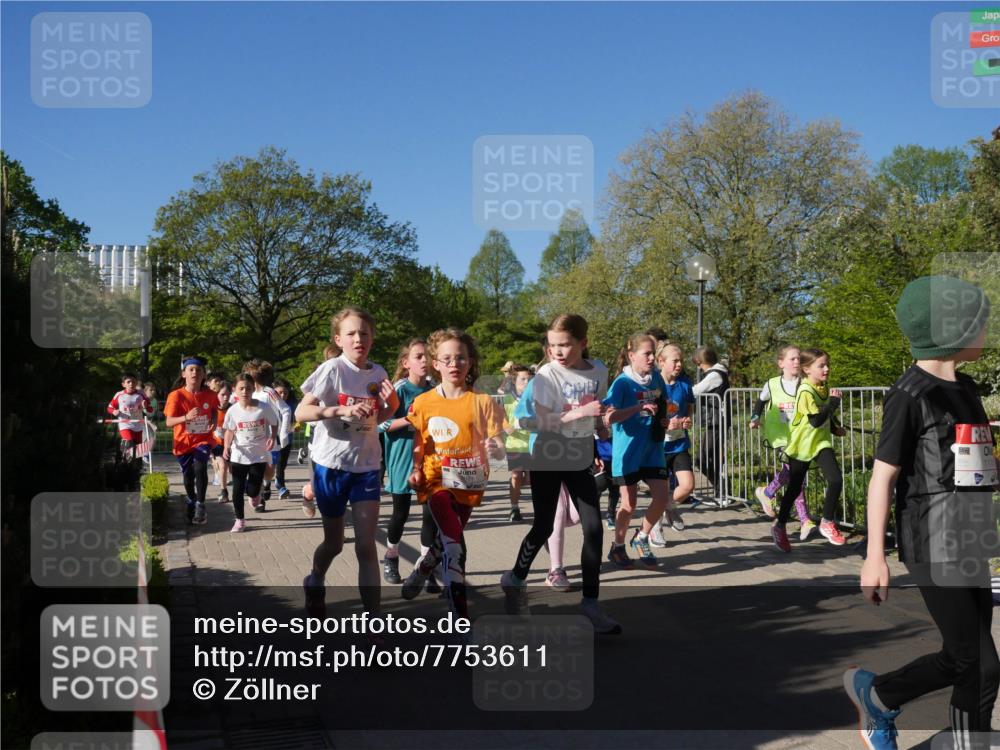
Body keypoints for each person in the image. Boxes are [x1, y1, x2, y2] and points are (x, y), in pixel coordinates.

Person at [847, 276, 998, 750]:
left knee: (967, 658)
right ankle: (961, 740)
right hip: (932, 540)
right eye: (979, 321)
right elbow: (882, 478)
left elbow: (972, 462)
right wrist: (875, 556)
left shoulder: (967, 388)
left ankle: (879, 694)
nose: (987, 328)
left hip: (969, 538)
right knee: (979, 661)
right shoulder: (908, 395)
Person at [500, 314, 621, 635]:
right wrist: (579, 413)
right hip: (548, 454)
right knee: (542, 526)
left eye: (565, 344)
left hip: (579, 454)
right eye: (552, 345)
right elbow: (528, 422)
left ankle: (591, 605)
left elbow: (594, 411)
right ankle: (515, 578)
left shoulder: (598, 371)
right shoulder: (545, 377)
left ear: (583, 343)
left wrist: (601, 428)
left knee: (594, 528)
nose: (558, 351)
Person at [296, 307, 399, 619]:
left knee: (366, 546)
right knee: (335, 543)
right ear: (339, 339)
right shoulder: (332, 370)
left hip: (366, 467)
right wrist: (336, 412)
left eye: (364, 333)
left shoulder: (379, 374)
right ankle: (315, 579)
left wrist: (392, 405)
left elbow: (377, 419)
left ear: (372, 338)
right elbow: (301, 413)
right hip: (331, 466)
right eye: (352, 333)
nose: (359, 339)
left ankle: (374, 623)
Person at [402, 328, 507, 620]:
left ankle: (424, 567)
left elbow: (499, 444)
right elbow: (419, 439)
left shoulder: (484, 401)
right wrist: (415, 468)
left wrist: (494, 447)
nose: (454, 364)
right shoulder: (424, 403)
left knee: (449, 540)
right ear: (435, 363)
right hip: (435, 478)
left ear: (470, 362)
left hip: (470, 479)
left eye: (460, 358)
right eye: (447, 358)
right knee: (455, 548)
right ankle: (459, 620)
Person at [604, 333, 672, 569]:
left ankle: (642, 536)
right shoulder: (622, 383)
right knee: (629, 505)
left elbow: (663, 404)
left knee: (662, 498)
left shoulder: (656, 379)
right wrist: (637, 407)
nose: (652, 358)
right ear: (632, 356)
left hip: (652, 448)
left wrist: (665, 420)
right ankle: (618, 547)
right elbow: (609, 417)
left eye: (654, 353)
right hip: (628, 451)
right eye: (647, 353)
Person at [770, 348, 847, 552]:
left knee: (836, 479)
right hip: (803, 443)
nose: (827, 369)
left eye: (827, 364)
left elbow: (824, 415)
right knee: (794, 488)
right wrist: (834, 403)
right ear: (806, 369)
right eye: (821, 365)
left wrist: (835, 427)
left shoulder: (823, 386)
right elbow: (814, 420)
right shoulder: (805, 390)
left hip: (820, 443)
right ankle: (779, 526)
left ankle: (827, 522)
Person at [379, 339, 438, 588]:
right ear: (406, 363)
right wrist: (410, 420)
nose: (424, 360)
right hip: (401, 455)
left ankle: (424, 567)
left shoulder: (436, 389)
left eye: (427, 356)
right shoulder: (398, 390)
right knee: (400, 513)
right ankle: (391, 556)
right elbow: (381, 425)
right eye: (418, 356)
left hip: (429, 457)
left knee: (430, 517)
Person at [749, 345, 816, 540]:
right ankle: (805, 520)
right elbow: (760, 402)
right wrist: (754, 417)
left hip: (800, 435)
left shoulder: (806, 383)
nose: (797, 362)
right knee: (796, 473)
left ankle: (767, 491)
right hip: (780, 436)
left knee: (796, 473)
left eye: (799, 359)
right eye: (792, 359)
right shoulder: (772, 384)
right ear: (781, 363)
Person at [649, 342, 695, 547]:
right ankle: (654, 528)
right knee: (658, 492)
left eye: (681, 361)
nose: (679, 364)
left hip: (679, 443)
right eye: (675, 361)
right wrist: (665, 424)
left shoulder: (685, 384)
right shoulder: (653, 385)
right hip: (658, 446)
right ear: (661, 362)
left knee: (688, 486)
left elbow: (689, 409)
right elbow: (646, 416)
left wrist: (686, 421)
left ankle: (668, 506)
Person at [163, 357, 218, 525]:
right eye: (191, 369)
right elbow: (169, 422)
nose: (195, 372)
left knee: (200, 467)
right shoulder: (176, 395)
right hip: (183, 442)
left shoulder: (210, 394)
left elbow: (215, 411)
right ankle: (191, 499)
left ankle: (200, 504)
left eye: (199, 370)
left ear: (204, 375)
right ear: (184, 374)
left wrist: (214, 422)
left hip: (203, 440)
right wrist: (186, 417)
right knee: (188, 476)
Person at [222, 374, 279, 532]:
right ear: (235, 390)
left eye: (248, 388)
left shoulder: (264, 407)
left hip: (259, 454)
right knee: (237, 489)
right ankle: (239, 520)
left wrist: (272, 437)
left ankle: (255, 496)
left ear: (253, 389)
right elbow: (229, 431)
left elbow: (275, 423)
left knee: (253, 489)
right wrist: (227, 446)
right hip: (239, 454)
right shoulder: (233, 411)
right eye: (241, 388)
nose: (245, 391)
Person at [241, 359, 292, 512]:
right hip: (253, 439)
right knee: (255, 468)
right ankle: (260, 497)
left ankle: (267, 484)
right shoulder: (246, 392)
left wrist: (283, 433)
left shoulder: (268, 392)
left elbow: (286, 410)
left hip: (271, 438)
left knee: (269, 470)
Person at [691, 346, 729, 504]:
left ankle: (723, 492)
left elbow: (695, 391)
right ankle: (721, 491)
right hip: (715, 421)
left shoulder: (714, 375)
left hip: (717, 421)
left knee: (703, 458)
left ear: (700, 362)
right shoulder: (717, 372)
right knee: (707, 457)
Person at [503, 365, 534, 524]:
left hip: (532, 443)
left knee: (530, 480)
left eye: (529, 379)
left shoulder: (535, 398)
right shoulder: (508, 399)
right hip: (515, 443)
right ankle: (514, 508)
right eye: (523, 379)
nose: (527, 382)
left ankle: (515, 488)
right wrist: (505, 426)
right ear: (514, 381)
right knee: (516, 475)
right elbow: (498, 417)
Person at [107, 372, 152, 461]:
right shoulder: (119, 394)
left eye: (134, 382)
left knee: (137, 450)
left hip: (138, 425)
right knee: (129, 443)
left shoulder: (141, 394)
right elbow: (109, 407)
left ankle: (135, 466)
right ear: (123, 384)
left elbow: (150, 409)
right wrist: (114, 411)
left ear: (136, 383)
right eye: (128, 382)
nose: (131, 384)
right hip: (125, 425)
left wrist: (145, 406)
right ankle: (124, 461)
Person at [271, 378, 297, 501]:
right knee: (270, 464)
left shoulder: (291, 404)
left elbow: (295, 420)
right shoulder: (267, 403)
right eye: (279, 392)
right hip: (270, 438)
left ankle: (279, 484)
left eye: (285, 393)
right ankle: (268, 486)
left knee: (282, 464)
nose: (282, 395)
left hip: (286, 439)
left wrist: (295, 426)